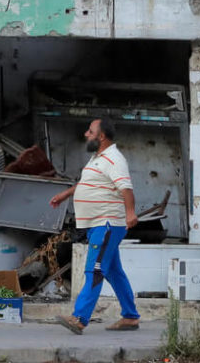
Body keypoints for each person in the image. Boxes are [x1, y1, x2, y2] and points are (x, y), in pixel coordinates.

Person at [49, 118, 140, 334]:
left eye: (90, 131)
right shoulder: (97, 158)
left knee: (95, 270)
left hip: (107, 224)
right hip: (98, 224)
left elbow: (126, 188)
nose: (85, 134)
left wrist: (130, 213)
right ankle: (130, 316)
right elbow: (88, 182)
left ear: (101, 136)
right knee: (114, 272)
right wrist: (66, 194)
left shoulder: (115, 159)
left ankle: (79, 318)